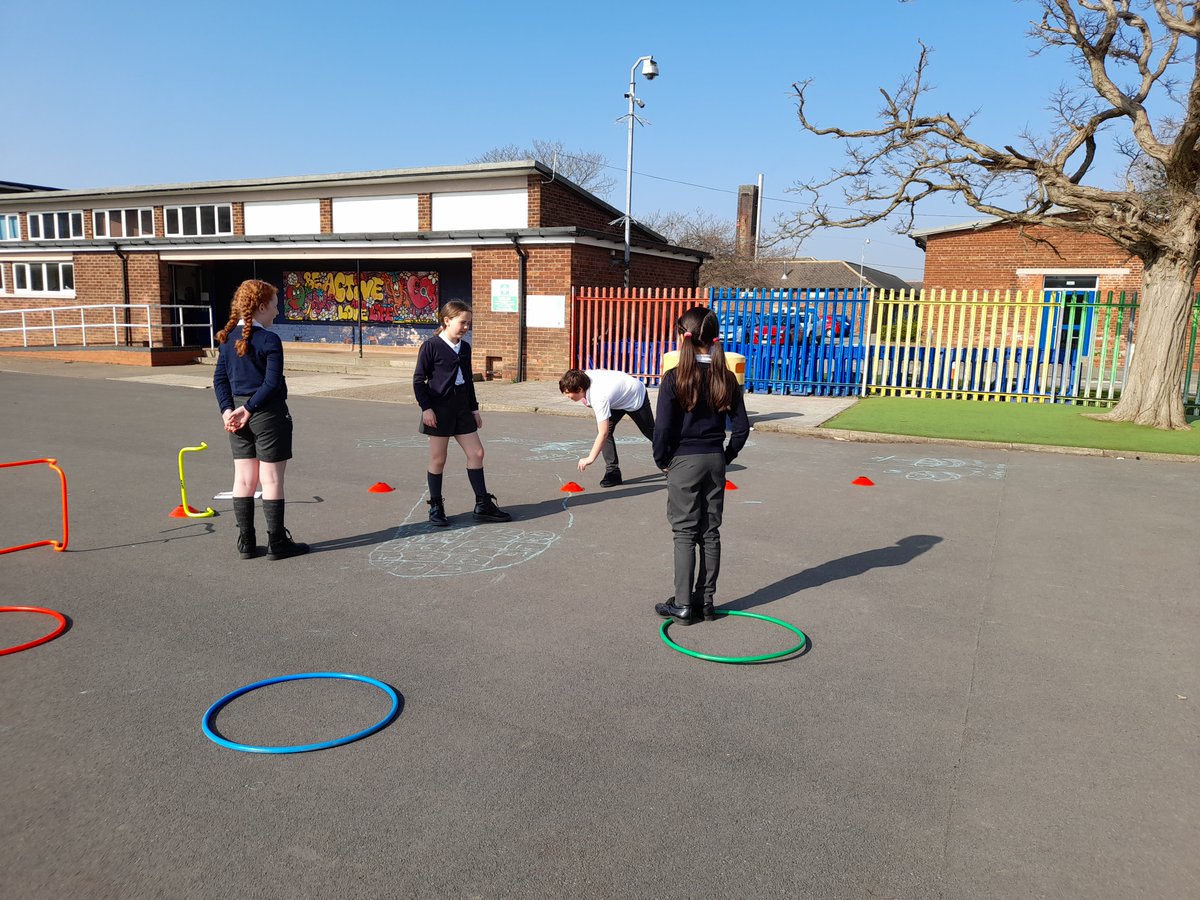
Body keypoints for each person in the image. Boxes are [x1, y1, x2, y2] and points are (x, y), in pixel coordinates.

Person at [652, 306, 750, 625]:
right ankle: (705, 601)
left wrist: (662, 460)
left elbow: (662, 428)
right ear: (713, 338)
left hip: (684, 460)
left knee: (684, 532)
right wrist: (726, 456)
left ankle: (682, 605)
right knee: (709, 531)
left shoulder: (675, 377)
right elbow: (741, 427)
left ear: (684, 336)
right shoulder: (726, 377)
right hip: (714, 459)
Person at [212, 279, 309, 561]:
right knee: (271, 479)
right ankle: (277, 542)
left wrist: (228, 410)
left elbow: (220, 380)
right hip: (267, 413)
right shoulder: (269, 339)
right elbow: (271, 382)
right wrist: (250, 408)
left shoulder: (228, 338)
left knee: (243, 478)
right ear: (262, 307)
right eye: (275, 306)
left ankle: (246, 541)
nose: (278, 312)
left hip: (238, 416)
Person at [413, 300, 511, 526]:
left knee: (477, 453)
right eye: (462, 322)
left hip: (462, 407)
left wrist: (474, 408)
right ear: (447, 321)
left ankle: (482, 504)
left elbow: (468, 380)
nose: (466, 327)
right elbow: (418, 381)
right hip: (439, 409)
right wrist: (426, 408)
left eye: (469, 323)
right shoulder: (431, 346)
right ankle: (436, 506)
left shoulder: (465, 347)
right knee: (438, 458)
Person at [558, 368, 656, 487]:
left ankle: (672, 462)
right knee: (608, 430)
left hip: (634, 396)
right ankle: (613, 472)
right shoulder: (583, 378)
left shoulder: (598, 397)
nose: (566, 395)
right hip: (616, 399)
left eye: (568, 392)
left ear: (579, 389)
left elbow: (602, 433)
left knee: (651, 433)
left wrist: (590, 458)